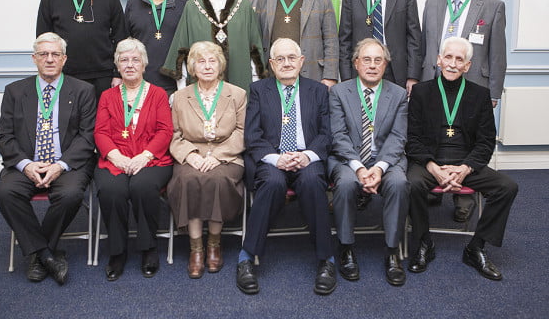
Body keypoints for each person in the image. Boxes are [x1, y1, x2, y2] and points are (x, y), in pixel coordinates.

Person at [406, 37, 518, 281]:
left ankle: (476, 247)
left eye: (460, 59)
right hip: (429, 162)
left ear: (468, 66)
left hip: (466, 163)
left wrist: (465, 168)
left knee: (507, 187)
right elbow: (412, 138)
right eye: (448, 57)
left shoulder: (480, 95)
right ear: (438, 60)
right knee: (411, 184)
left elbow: (486, 141)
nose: (453, 64)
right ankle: (424, 243)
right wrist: (433, 167)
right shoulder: (421, 92)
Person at [0, 32, 96, 285]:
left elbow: (87, 137)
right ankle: (46, 254)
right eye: (43, 54)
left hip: (66, 164)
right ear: (34, 59)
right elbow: (4, 137)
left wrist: (60, 166)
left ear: (64, 59)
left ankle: (37, 253)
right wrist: (26, 165)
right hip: (27, 163)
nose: (49, 59)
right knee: (5, 193)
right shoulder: (15, 91)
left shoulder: (83, 90)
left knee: (71, 195)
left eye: (55, 55)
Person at [236, 38, 336, 296]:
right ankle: (246, 258)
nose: (287, 63)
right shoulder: (259, 89)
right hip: (273, 158)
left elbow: (326, 134)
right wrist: (275, 158)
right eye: (280, 59)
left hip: (307, 158)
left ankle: (327, 260)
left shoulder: (318, 91)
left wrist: (309, 155)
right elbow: (252, 134)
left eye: (292, 57)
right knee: (272, 182)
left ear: (302, 61)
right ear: (271, 64)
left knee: (313, 181)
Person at [419, 0, 507, 220]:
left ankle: (463, 198)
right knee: (435, 133)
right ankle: (434, 185)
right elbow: (426, 46)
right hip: (434, 83)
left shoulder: (492, 5)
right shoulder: (432, 3)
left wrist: (493, 92)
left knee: (467, 140)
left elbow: (498, 54)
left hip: (474, 84)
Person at [328, 38, 409, 286]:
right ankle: (346, 247)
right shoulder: (339, 92)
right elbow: (338, 136)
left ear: (385, 65)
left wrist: (378, 168)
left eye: (378, 60)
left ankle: (392, 250)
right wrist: (360, 168)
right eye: (367, 60)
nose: (372, 66)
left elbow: (398, 137)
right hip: (348, 159)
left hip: (386, 160)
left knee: (398, 183)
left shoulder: (398, 94)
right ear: (356, 63)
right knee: (345, 185)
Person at [93, 38, 174, 281]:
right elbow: (100, 132)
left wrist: (144, 156)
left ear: (144, 65)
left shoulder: (158, 94)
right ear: (117, 65)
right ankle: (117, 252)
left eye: (135, 60)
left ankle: (148, 248)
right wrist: (116, 157)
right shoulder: (107, 96)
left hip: (151, 158)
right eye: (124, 60)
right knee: (111, 190)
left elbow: (165, 131)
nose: (130, 65)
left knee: (142, 187)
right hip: (114, 158)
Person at [167, 41, 246, 279]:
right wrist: (190, 155)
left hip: (227, 156)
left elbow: (242, 132)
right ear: (192, 68)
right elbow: (174, 135)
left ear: (220, 65)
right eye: (201, 62)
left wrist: (218, 156)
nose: (208, 66)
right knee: (189, 180)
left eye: (212, 61)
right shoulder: (180, 97)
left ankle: (213, 244)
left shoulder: (238, 94)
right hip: (191, 156)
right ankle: (196, 249)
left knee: (217, 180)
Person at [160, 0, 266, 92]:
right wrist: (182, 90)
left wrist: (255, 89)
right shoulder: (192, 7)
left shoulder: (244, 7)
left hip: (239, 88)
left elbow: (255, 51)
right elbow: (182, 50)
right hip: (201, 91)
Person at [37, 0, 126, 101]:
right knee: (70, 123)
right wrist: (48, 74)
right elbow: (43, 38)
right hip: (65, 76)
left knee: (102, 124)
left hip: (104, 76)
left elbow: (121, 35)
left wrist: (118, 74)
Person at [338, 0, 421, 94]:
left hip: (396, 71)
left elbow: (414, 36)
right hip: (361, 70)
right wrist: (346, 78)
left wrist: (413, 76)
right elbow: (344, 38)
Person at [255, 0, 339, 87]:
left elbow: (331, 41)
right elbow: (257, 39)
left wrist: (330, 76)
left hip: (312, 74)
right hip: (273, 75)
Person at [125, 0, 188, 95]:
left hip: (175, 85)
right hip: (141, 84)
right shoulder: (132, 5)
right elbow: (125, 43)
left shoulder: (183, 4)